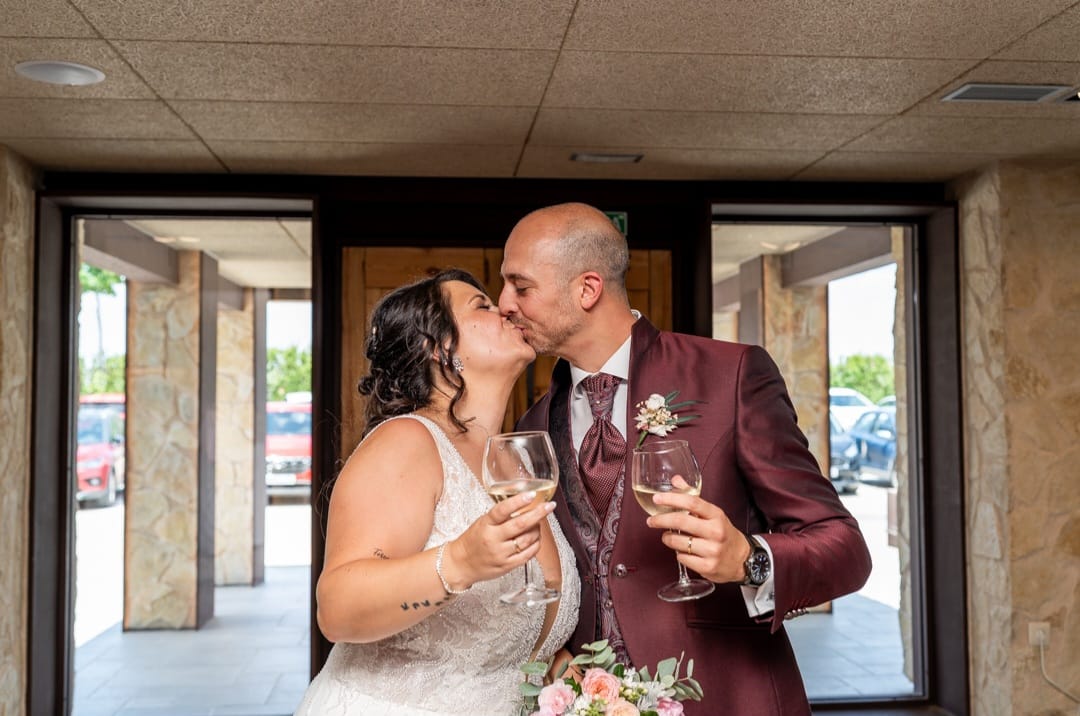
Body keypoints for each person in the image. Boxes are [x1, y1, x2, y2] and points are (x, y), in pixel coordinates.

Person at [499, 203, 872, 715]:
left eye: (520, 287)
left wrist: (748, 559)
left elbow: (845, 548)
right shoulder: (534, 426)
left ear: (587, 289)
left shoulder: (731, 376)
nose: (504, 304)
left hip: (726, 696)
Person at [296, 268, 580, 716]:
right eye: (482, 306)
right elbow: (338, 610)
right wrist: (462, 560)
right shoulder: (408, 441)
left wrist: (545, 661)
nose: (507, 308)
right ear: (439, 346)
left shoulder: (517, 461)